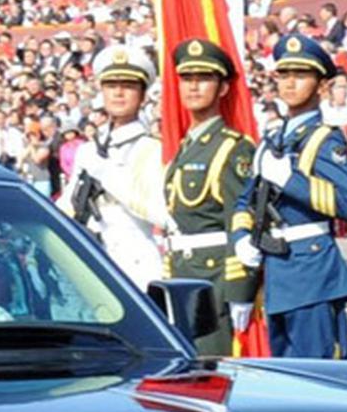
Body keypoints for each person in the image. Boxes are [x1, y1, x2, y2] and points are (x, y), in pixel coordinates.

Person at [231, 33, 347, 358]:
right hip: (275, 271)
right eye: (284, 75)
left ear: (321, 86)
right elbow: (245, 201)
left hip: (311, 270)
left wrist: (290, 180)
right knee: (289, 378)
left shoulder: (324, 139)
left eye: (300, 75)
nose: (290, 83)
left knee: (320, 376)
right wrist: (241, 236)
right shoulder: (271, 139)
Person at [163, 37, 259, 355]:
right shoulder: (185, 146)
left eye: (203, 79)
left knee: (212, 374)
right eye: (187, 79)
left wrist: (240, 289)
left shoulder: (233, 148)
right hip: (183, 274)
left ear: (222, 88)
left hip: (214, 279)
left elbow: (242, 220)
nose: (193, 87)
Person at [60, 44, 166, 289]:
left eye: (128, 86)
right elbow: (69, 205)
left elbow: (160, 212)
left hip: (135, 264)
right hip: (91, 260)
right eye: (111, 86)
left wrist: (109, 176)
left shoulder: (150, 149)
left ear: (143, 95)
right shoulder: (89, 150)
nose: (118, 93)